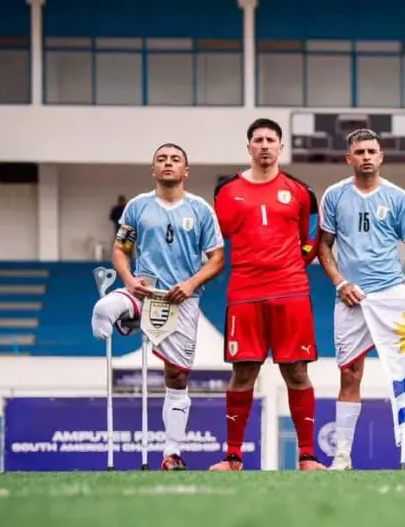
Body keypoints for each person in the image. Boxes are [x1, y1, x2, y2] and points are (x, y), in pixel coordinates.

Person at [91, 143, 225, 471]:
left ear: (185, 170)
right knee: (105, 307)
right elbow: (120, 250)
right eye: (161, 159)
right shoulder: (137, 206)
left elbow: (217, 259)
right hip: (144, 289)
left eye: (175, 159)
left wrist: (191, 284)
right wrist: (128, 279)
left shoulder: (201, 210)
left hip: (183, 299)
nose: (168, 163)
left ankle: (171, 453)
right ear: (153, 170)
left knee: (177, 376)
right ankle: (126, 313)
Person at [212, 117, 326, 471]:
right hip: (244, 294)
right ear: (249, 147)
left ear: (280, 147)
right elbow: (214, 240)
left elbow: (312, 239)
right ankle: (233, 456)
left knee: (297, 373)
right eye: (258, 140)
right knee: (243, 374)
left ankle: (307, 456)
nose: (264, 145)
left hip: (291, 293)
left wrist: (290, 264)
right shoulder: (227, 192)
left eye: (270, 140)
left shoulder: (301, 192)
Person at [317, 129, 405, 471]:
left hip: (393, 294)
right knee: (350, 374)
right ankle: (342, 456)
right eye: (360, 152)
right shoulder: (335, 196)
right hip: (352, 298)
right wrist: (340, 283)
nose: (366, 157)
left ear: (381, 156)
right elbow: (324, 247)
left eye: (371, 151)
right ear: (349, 158)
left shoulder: (397, 197)